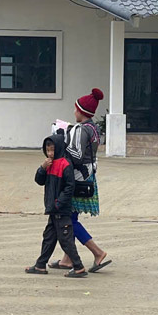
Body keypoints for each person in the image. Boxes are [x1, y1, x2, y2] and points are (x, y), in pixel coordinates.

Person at [48, 88, 112, 273]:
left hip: (77, 178)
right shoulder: (93, 128)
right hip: (87, 175)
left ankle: (97, 252)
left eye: (76, 108)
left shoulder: (81, 129)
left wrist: (61, 139)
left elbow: (76, 155)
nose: (74, 111)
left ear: (82, 112)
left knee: (69, 219)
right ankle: (67, 259)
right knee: (72, 217)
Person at [25, 134, 88, 278]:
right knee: (49, 237)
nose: (50, 153)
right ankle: (40, 265)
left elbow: (69, 187)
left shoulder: (65, 164)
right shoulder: (49, 164)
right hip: (53, 210)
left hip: (60, 209)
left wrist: (58, 203)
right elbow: (39, 181)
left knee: (65, 239)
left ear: (58, 148)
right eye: (48, 151)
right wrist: (42, 168)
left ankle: (78, 266)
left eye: (52, 150)